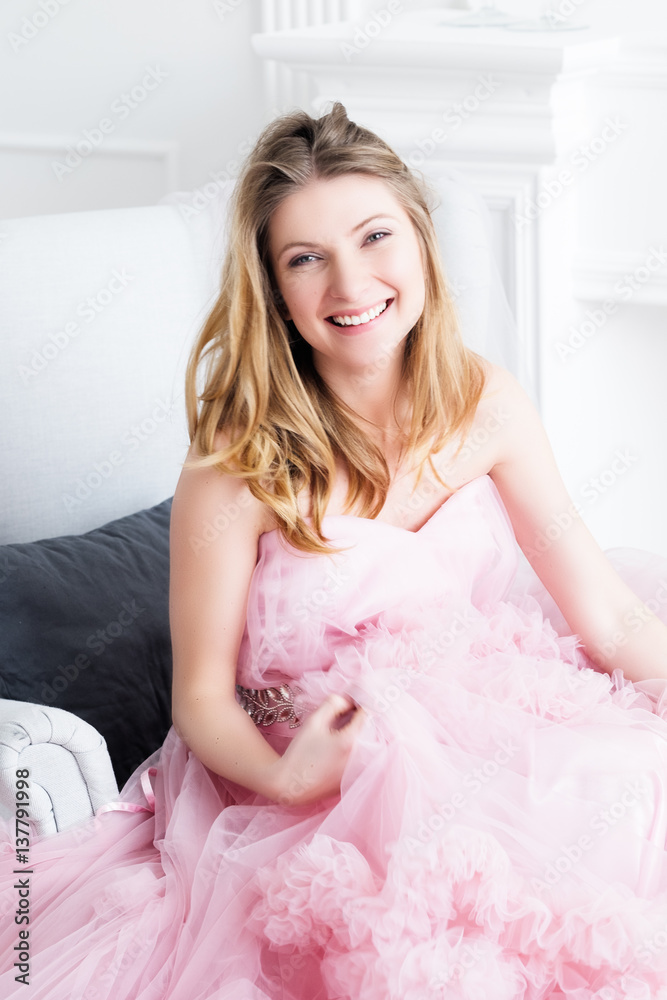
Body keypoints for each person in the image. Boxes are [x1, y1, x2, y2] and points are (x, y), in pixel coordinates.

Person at [3, 101, 667, 999]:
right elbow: (199, 696)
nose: (350, 285)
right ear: (274, 289)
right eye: (305, 259)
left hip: (485, 721)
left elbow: (608, 612)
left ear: (421, 243)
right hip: (307, 767)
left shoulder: (488, 404)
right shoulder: (234, 462)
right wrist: (284, 775)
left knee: (623, 805)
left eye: (374, 237)